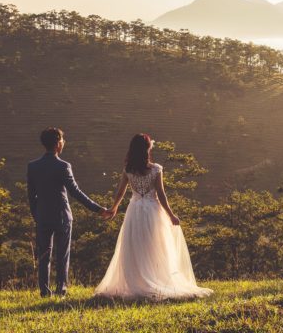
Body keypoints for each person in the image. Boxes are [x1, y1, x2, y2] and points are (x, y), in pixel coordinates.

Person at [94, 133, 213, 300]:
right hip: (152, 210)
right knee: (155, 245)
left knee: (135, 245)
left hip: (134, 210)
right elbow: (161, 194)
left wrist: (114, 208)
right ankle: (155, 279)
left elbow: (120, 191)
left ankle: (138, 281)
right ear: (147, 149)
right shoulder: (156, 169)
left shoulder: (128, 170)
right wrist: (171, 215)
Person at [27, 127, 111, 297]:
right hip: (62, 216)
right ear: (58, 144)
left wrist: (37, 216)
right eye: (63, 140)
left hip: (42, 216)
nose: (63, 143)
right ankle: (61, 290)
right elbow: (75, 192)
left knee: (44, 256)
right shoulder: (63, 166)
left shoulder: (33, 166)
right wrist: (98, 209)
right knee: (62, 256)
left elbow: (31, 196)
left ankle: (44, 291)